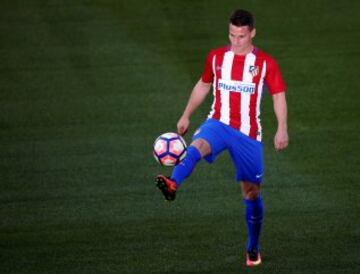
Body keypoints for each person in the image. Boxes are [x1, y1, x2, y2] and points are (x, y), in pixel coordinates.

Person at [155, 9, 288, 267]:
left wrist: (282, 127)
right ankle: (173, 183)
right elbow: (203, 84)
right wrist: (186, 115)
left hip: (248, 133)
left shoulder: (265, 63)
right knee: (197, 146)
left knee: (251, 193)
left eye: (241, 36)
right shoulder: (216, 57)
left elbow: (278, 94)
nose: (236, 41)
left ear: (252, 33)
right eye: (231, 35)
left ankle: (253, 248)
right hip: (217, 122)